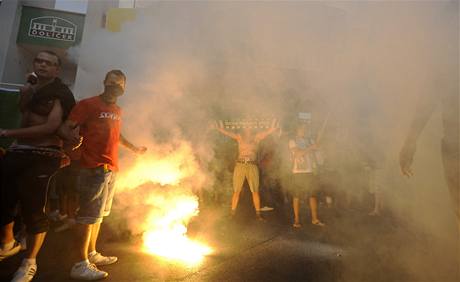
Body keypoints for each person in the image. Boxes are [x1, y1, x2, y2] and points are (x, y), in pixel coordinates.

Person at [59, 70, 146, 280]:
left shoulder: (117, 110)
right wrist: (72, 141)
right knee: (87, 217)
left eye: (119, 83)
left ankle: (91, 254)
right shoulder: (88, 104)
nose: (114, 85)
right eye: (111, 82)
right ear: (104, 82)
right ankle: (79, 265)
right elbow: (66, 128)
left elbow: (117, 134)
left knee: (97, 217)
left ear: (123, 88)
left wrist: (133, 148)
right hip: (91, 168)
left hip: (110, 169)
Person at [0, 50, 76, 282]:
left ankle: (30, 262)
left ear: (56, 69)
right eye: (39, 61)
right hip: (19, 150)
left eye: (48, 63)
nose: (42, 65)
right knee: (4, 199)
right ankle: (7, 243)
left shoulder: (61, 93)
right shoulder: (33, 89)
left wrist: (7, 132)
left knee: (34, 209)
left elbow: (50, 127)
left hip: (44, 155)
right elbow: (26, 114)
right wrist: (26, 93)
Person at [215, 119, 279, 221]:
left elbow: (267, 132)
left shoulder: (256, 138)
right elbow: (228, 134)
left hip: (252, 165)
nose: (248, 128)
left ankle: (258, 214)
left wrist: (273, 128)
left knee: (255, 191)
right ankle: (232, 213)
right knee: (236, 190)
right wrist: (220, 129)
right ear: (244, 128)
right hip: (240, 165)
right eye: (246, 126)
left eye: (249, 126)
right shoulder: (240, 137)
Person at [288, 121, 325, 228]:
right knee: (297, 196)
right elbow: (298, 153)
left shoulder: (310, 141)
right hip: (298, 173)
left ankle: (315, 219)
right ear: (297, 130)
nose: (304, 130)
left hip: (309, 171)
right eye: (302, 128)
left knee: (312, 196)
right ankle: (296, 220)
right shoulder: (293, 141)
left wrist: (318, 147)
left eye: (305, 129)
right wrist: (312, 147)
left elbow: (317, 153)